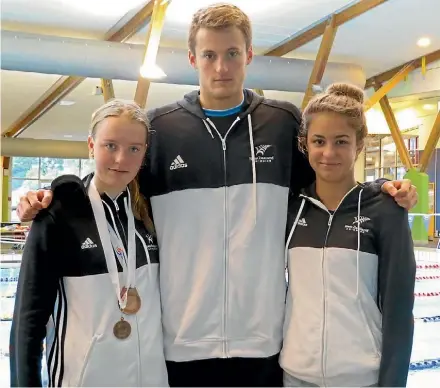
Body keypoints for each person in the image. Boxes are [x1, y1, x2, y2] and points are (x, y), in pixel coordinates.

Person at [16, 4, 417, 387]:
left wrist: (379, 191)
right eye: (209, 55)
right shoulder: (161, 129)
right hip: (181, 342)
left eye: (232, 53)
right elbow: (116, 176)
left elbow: (325, 183)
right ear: (192, 57)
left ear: (249, 56)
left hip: (265, 343)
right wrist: (55, 195)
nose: (221, 67)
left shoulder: (281, 123)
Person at [10, 99, 168, 387]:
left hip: (150, 378)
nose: (121, 159)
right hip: (84, 378)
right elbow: (28, 319)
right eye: (110, 145)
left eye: (134, 148)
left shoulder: (151, 212)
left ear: (145, 154)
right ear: (91, 145)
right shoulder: (58, 214)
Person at [281, 83, 416, 387]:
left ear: (359, 145)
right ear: (305, 146)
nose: (329, 153)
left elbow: (398, 308)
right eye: (319, 141)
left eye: (341, 141)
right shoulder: (291, 210)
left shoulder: (386, 210)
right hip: (296, 375)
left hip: (362, 378)